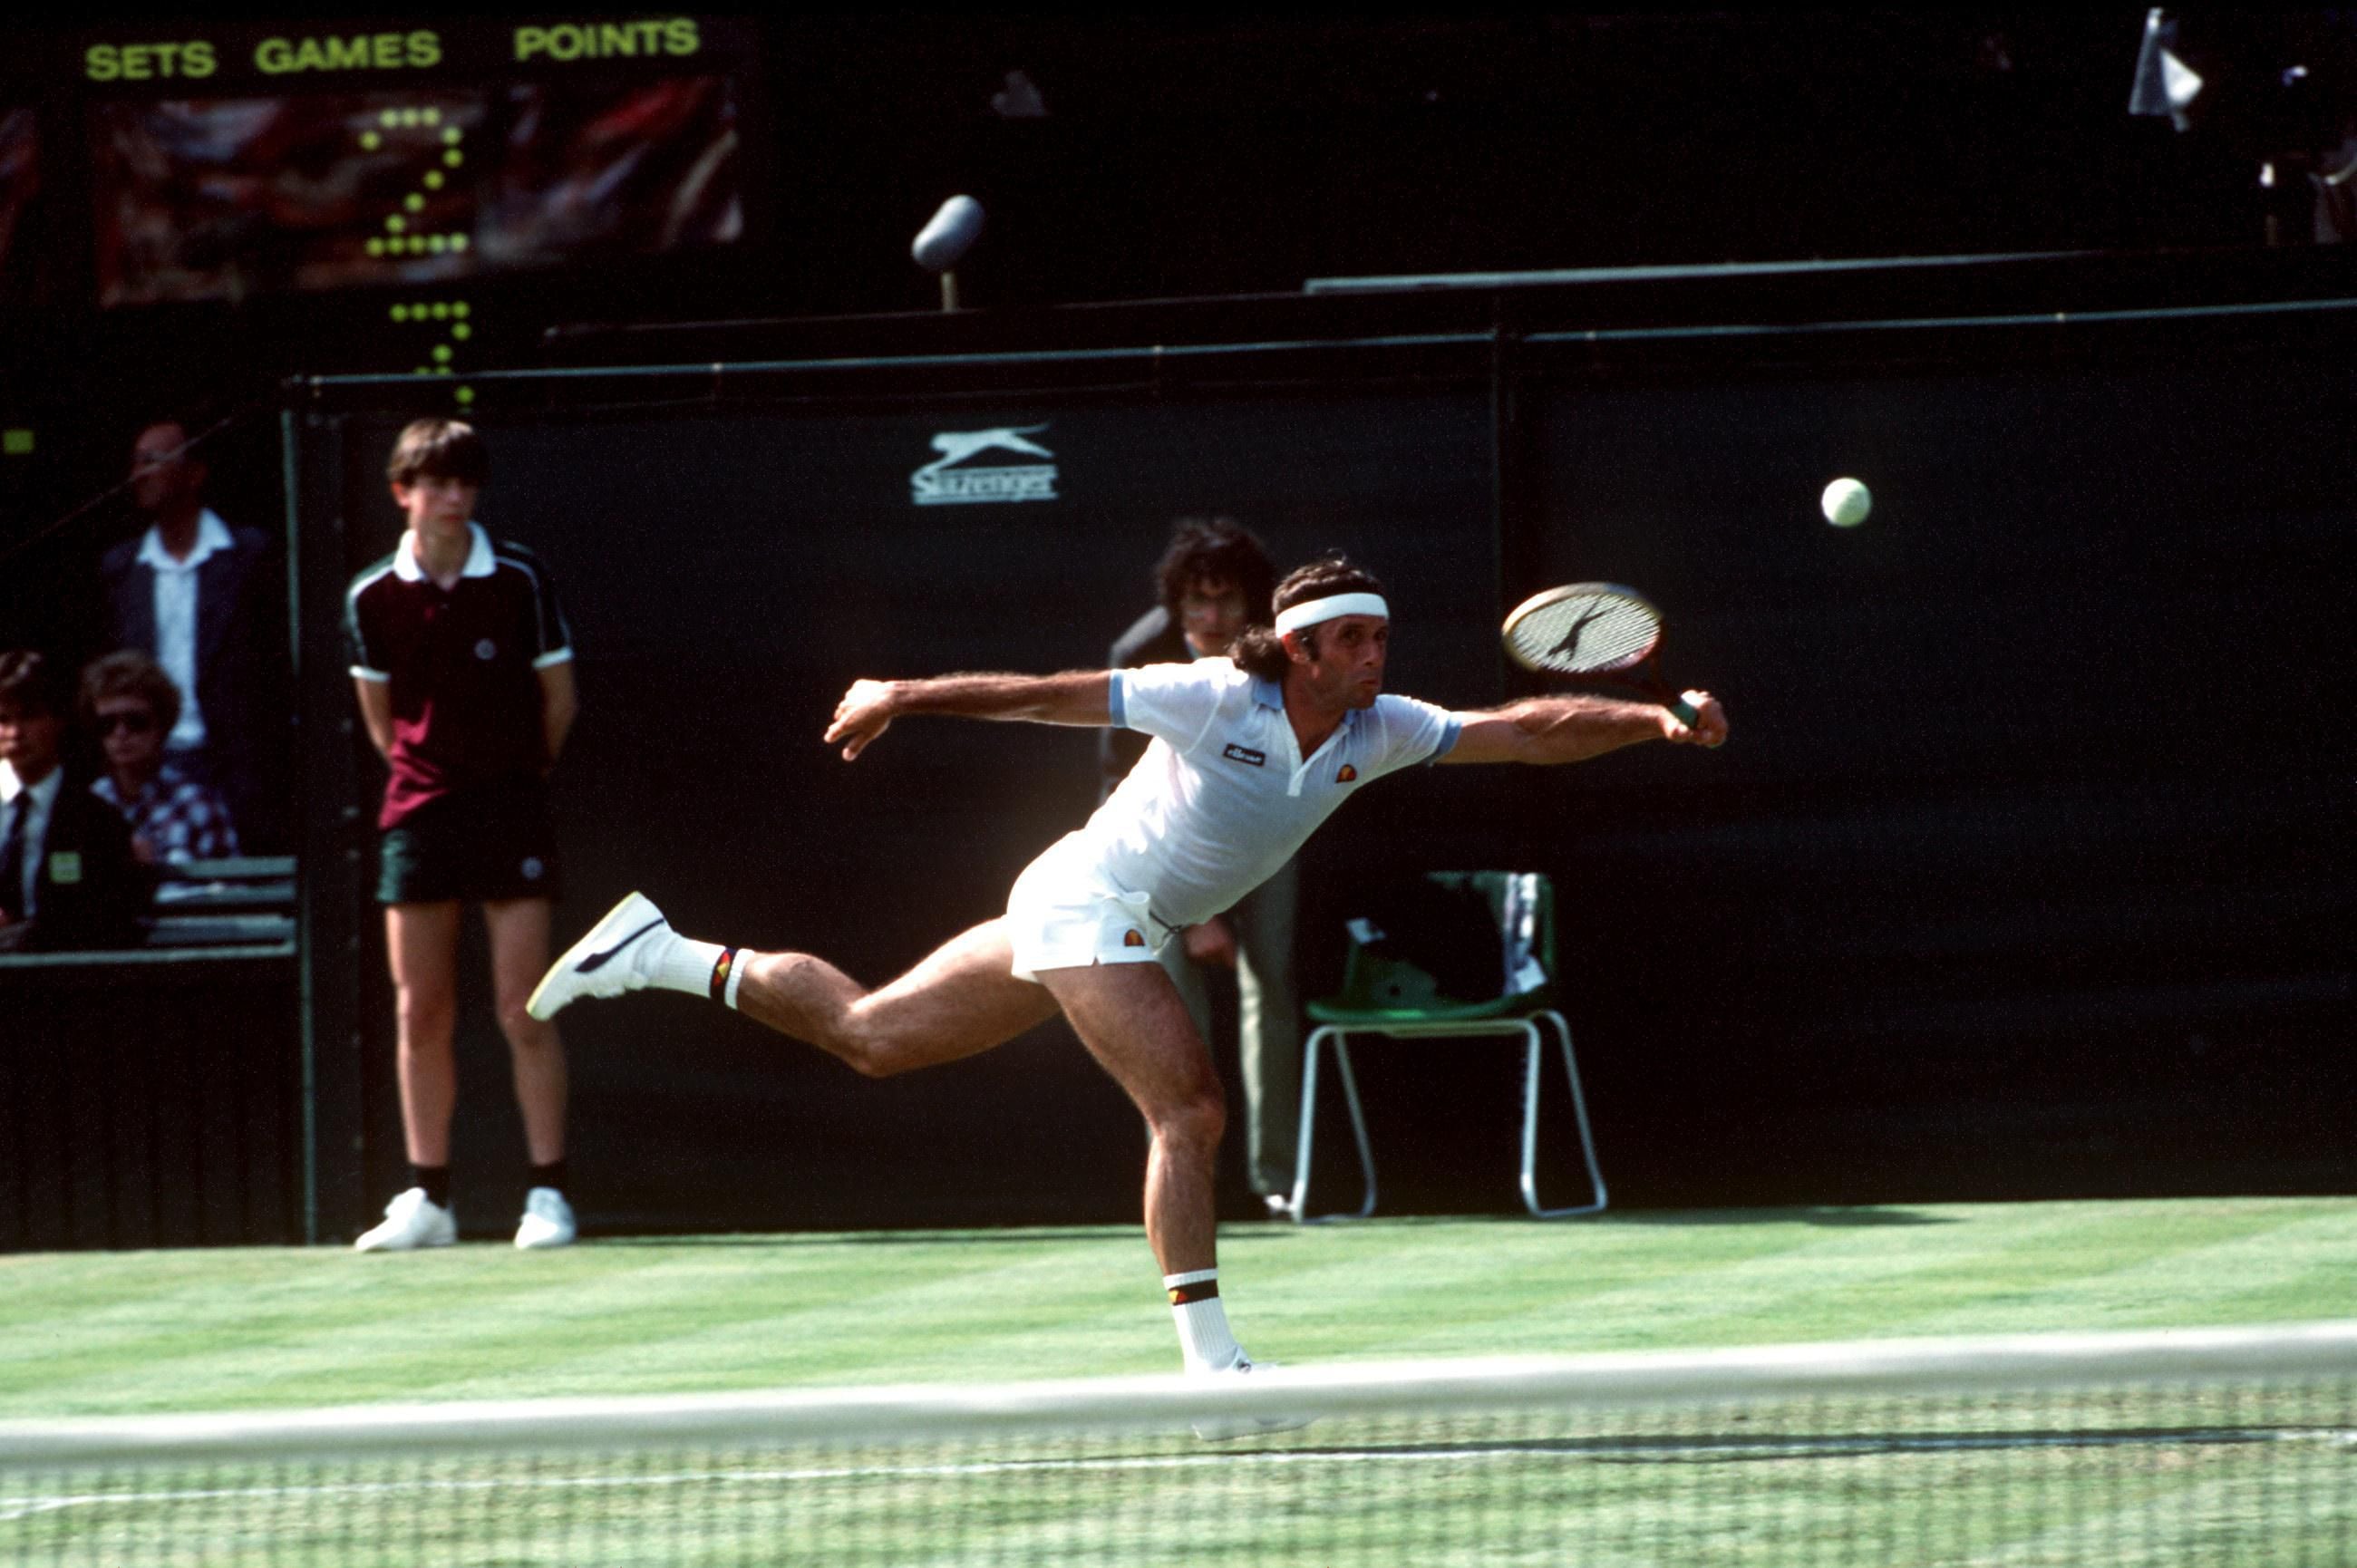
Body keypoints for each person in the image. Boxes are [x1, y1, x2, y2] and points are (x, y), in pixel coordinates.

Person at [529, 554, 1727, 1376]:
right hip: (1088, 896)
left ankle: (663, 951)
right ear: (1300, 646)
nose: (1376, 656)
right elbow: (1051, 698)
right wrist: (903, 692)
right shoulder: (1213, 694)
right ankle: (1212, 1362)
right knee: (1190, 1107)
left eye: (1381, 639)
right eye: (1354, 639)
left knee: (873, 1034)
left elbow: (1522, 731)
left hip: (1100, 911)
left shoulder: (1382, 727)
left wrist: (1652, 721)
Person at [344, 419, 581, 1253]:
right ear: (402, 493)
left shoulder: (518, 579)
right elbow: (384, 722)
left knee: (525, 1007)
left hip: (511, 806)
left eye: (464, 483)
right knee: (421, 1012)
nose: (452, 498)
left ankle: (548, 1195)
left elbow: (560, 702)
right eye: (434, 483)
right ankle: (429, 1199)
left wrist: (514, 773)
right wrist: (431, 775)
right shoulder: (371, 596)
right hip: (417, 813)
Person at [1103, 518, 1304, 1218]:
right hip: (1158, 855)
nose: (1214, 618)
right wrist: (1202, 915)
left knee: (1272, 988)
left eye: (1228, 600)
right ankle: (1194, 1183)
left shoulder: (1282, 652)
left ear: (1254, 604)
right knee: (1169, 1019)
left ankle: (1277, 1182)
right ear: (1177, 604)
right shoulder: (1140, 654)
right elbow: (1115, 776)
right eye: (1198, 602)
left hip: (1267, 838)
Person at [100, 421, 282, 851]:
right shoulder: (122, 569)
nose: (139, 474)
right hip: (149, 763)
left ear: (195, 473)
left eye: (154, 461)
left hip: (237, 767)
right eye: (136, 462)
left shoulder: (248, 556)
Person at [0, 650, 150, 953]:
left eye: (29, 717)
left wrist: (26, 938)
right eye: (2, 719)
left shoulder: (98, 823)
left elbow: (108, 925)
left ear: (58, 720)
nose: (15, 733)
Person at [82, 650, 240, 864]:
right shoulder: (87, 808)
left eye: (136, 722)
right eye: (107, 724)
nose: (121, 734)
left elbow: (230, 892)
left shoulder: (197, 806)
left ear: (162, 726)